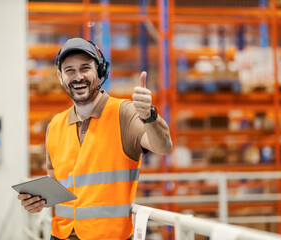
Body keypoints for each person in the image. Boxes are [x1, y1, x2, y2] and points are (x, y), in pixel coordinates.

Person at [17, 37, 172, 240]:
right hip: (60, 235)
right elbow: (56, 184)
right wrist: (37, 201)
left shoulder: (123, 113)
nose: (78, 77)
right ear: (60, 76)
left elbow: (163, 147)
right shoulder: (55, 125)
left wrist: (149, 116)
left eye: (85, 68)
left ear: (100, 72)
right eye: (69, 70)